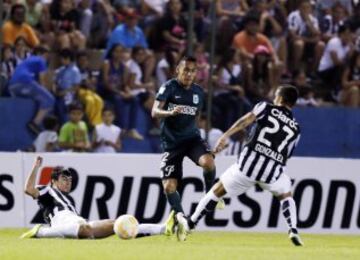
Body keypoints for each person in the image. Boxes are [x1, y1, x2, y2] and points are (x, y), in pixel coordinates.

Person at [176, 85, 304, 247]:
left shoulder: (265, 107)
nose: (273, 98)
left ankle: (191, 223)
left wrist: (226, 135)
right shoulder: (296, 129)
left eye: (275, 95)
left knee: (217, 190)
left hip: (247, 166)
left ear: (280, 99)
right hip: (271, 172)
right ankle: (293, 229)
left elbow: (245, 121)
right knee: (286, 194)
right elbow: (287, 155)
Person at [21, 156, 176, 239]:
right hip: (62, 221)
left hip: (77, 221)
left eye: (70, 180)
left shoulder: (67, 199)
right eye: (64, 179)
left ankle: (163, 229)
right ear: (53, 181)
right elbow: (28, 190)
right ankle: (40, 232)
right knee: (85, 229)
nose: (68, 183)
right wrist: (36, 167)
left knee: (118, 224)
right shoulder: (47, 190)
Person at [151, 56, 224, 220]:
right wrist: (169, 113)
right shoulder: (169, 87)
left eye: (192, 71)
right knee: (169, 187)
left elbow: (196, 116)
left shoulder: (198, 91)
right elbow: (154, 111)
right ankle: (180, 218)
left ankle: (209, 196)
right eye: (186, 70)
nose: (189, 74)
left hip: (191, 139)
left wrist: (194, 131)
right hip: (172, 144)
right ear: (178, 70)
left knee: (209, 163)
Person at [8, 46, 55, 135]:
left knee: (38, 98)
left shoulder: (28, 60)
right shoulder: (40, 60)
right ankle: (35, 123)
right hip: (25, 83)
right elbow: (42, 80)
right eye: (47, 56)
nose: (47, 59)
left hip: (12, 86)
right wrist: (46, 91)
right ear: (41, 54)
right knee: (50, 99)